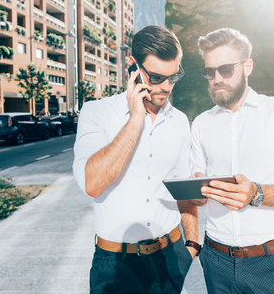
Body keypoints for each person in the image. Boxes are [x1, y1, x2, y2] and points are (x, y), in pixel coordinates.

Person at [73, 25, 199, 294]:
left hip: (171, 257)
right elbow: (93, 183)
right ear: (133, 66)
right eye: (155, 77)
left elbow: (183, 188)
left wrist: (192, 245)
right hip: (116, 266)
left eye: (173, 76)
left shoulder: (179, 122)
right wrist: (136, 119)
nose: (166, 87)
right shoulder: (96, 113)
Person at [190, 28, 274, 294]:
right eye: (209, 72)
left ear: (247, 66)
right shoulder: (201, 124)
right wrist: (195, 192)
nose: (216, 79)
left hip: (268, 262)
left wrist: (256, 193)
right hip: (216, 261)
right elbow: (198, 184)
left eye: (225, 69)